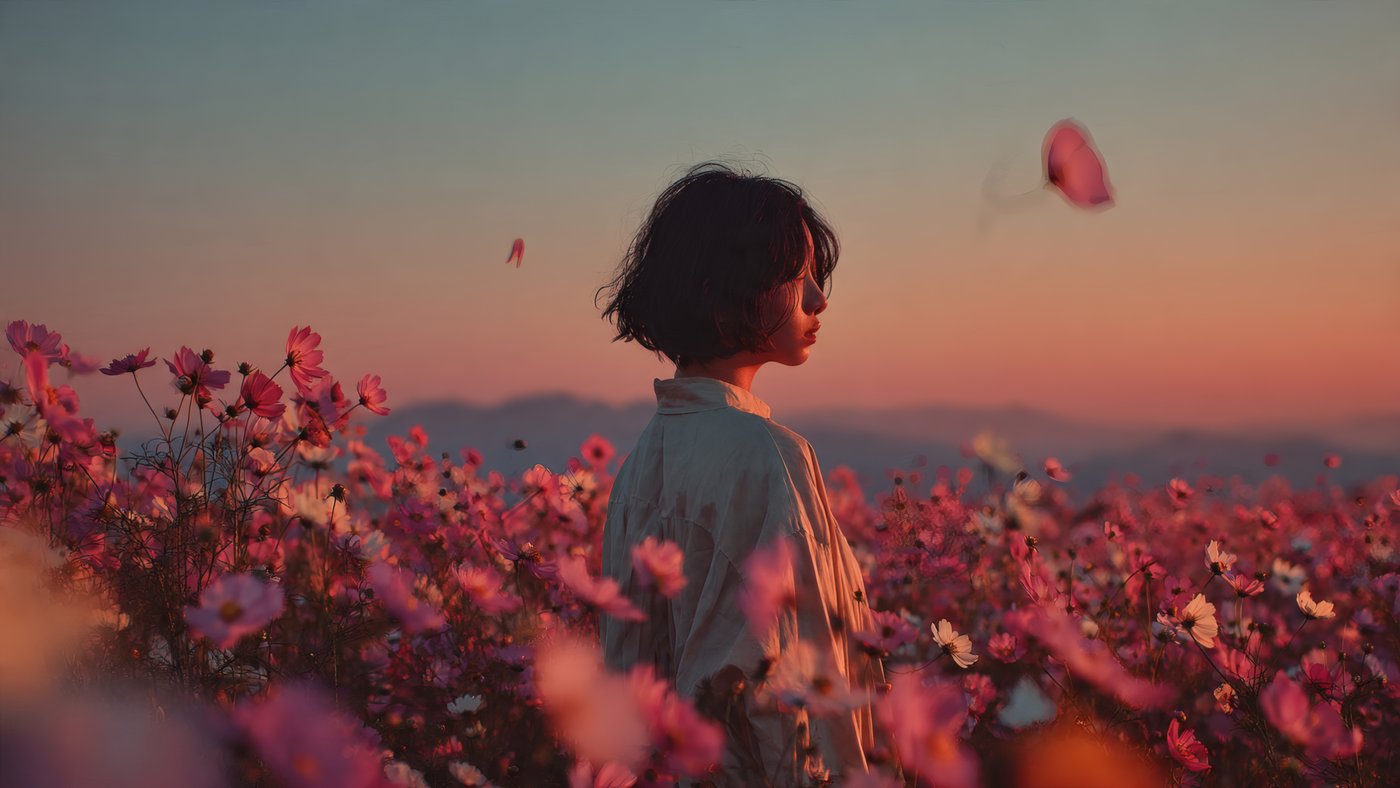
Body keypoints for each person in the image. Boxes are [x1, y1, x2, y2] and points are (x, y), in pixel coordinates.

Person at [597, 163, 888, 786]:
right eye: (797, 277)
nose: (819, 299)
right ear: (726, 285)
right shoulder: (766, 454)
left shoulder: (639, 465)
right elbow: (795, 691)